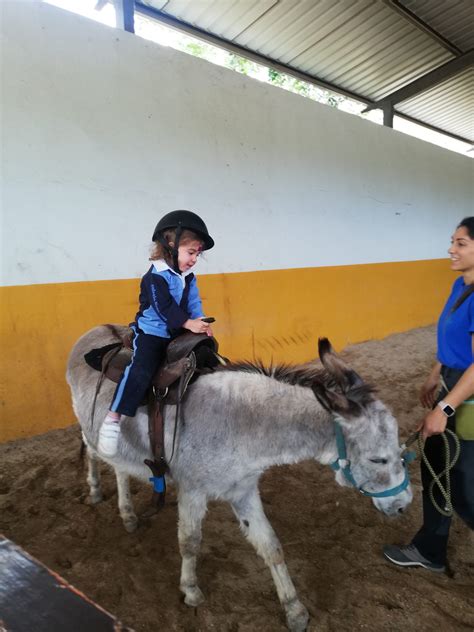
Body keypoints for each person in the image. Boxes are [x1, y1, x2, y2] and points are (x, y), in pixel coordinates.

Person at [384, 217, 474, 572]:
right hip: (452, 381)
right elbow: (451, 340)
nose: (451, 248)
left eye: (462, 243)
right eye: (452, 241)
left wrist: (446, 409)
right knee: (437, 464)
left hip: (466, 394)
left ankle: (430, 547)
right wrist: (434, 375)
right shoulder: (459, 285)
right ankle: (430, 548)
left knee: (463, 485)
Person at [97, 210, 215, 458]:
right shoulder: (154, 277)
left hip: (179, 330)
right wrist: (187, 323)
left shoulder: (187, 276)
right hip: (154, 332)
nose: (194, 259)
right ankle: (113, 419)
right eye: (191, 252)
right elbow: (163, 308)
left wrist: (201, 322)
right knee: (141, 368)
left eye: (197, 254)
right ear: (170, 245)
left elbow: (193, 302)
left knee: (210, 353)